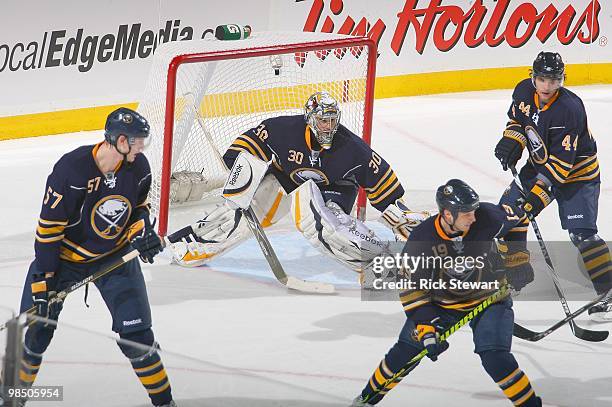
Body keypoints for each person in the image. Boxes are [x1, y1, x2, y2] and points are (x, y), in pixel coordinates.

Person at [170, 91, 428, 274]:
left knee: (324, 226)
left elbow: (382, 183)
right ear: (310, 118)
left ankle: (387, 265)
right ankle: (194, 241)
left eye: (332, 120)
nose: (328, 127)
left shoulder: (352, 149)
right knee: (243, 211)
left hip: (335, 190)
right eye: (322, 120)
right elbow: (249, 144)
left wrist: (399, 215)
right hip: (285, 179)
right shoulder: (284, 130)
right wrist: (241, 171)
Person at [18, 108, 175, 406]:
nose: (142, 147)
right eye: (137, 141)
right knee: (36, 334)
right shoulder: (72, 170)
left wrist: (141, 233)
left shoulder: (138, 167)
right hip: (63, 262)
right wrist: (44, 280)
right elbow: (49, 231)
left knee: (138, 338)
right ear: (118, 140)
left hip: (113, 259)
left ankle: (165, 402)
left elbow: (138, 209)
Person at [352, 179, 541, 406]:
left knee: (496, 358)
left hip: (490, 298)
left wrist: (516, 260)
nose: (473, 217)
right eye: (466, 213)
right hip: (442, 305)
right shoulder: (422, 240)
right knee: (404, 354)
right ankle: (365, 399)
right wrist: (427, 330)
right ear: (448, 215)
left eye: (473, 211)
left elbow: (519, 219)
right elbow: (413, 291)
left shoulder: (487, 217)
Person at [494, 51, 612, 321]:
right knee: (510, 213)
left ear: (562, 80)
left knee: (582, 235)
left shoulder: (570, 108)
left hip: (577, 175)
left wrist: (536, 196)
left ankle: (609, 293)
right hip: (540, 165)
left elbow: (561, 165)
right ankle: (517, 273)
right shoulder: (524, 91)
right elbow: (518, 122)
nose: (547, 86)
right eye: (542, 79)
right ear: (532, 77)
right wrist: (513, 140)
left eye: (554, 80)